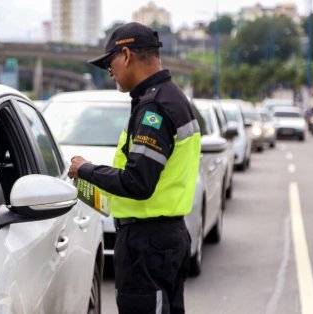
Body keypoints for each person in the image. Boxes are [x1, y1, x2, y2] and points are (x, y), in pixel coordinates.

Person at [68, 22, 201, 314]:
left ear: (126, 54)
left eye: (110, 63)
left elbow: (139, 182)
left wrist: (86, 170)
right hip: (164, 238)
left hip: (148, 245)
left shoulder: (154, 106)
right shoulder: (169, 97)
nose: (110, 72)